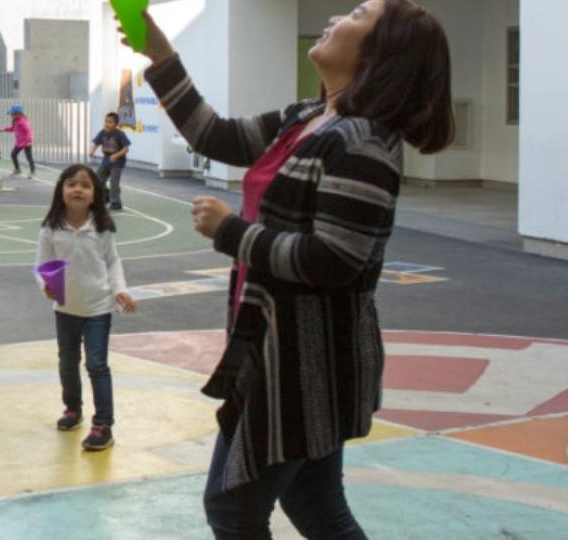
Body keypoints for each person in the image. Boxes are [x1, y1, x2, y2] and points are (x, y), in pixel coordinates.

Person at [127, 1, 455, 537]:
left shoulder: (365, 142)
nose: (336, 17)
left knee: (232, 509)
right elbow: (220, 137)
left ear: (380, 51)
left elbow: (335, 261)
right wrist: (162, 55)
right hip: (276, 352)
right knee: (315, 506)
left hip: (305, 364)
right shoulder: (307, 117)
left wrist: (231, 232)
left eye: (357, 13)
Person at [36, 164, 137, 451]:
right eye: (71, 184)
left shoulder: (102, 228)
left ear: (95, 194)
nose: (77, 189)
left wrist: (120, 290)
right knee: (67, 363)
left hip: (98, 309)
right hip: (65, 310)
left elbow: (113, 262)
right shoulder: (50, 229)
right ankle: (73, 409)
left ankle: (103, 424)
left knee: (96, 365)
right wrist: (45, 283)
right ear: (61, 191)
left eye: (84, 185)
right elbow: (43, 264)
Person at [89, 112, 131, 211]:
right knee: (97, 179)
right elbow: (95, 143)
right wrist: (92, 150)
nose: (107, 124)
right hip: (106, 160)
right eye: (106, 121)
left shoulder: (120, 134)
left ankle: (115, 202)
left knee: (114, 182)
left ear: (116, 124)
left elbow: (126, 149)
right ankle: (105, 196)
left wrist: (116, 155)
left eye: (110, 122)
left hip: (118, 162)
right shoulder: (102, 132)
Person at [3, 104, 36, 178]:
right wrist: (4, 129)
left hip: (26, 142)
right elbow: (12, 129)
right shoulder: (15, 121)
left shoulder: (23, 121)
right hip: (19, 143)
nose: (11, 115)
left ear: (17, 113)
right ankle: (18, 169)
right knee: (13, 154)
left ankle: (32, 171)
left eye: (12, 114)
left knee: (29, 157)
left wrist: (29, 141)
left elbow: (28, 131)